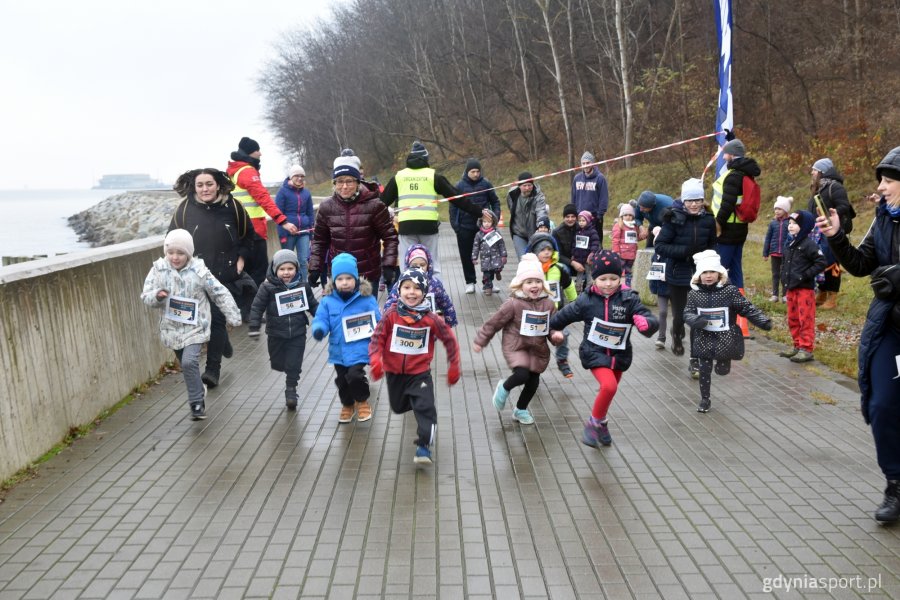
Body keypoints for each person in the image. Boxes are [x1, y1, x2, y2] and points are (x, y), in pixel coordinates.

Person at [817, 145, 900, 522]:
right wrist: (837, 237)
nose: (881, 188)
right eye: (881, 180)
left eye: (888, 180)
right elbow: (861, 264)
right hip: (889, 326)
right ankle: (895, 485)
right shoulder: (883, 218)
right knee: (883, 405)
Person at [550, 250, 658, 447]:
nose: (608, 283)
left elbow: (648, 317)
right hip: (594, 352)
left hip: (619, 355)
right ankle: (593, 423)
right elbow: (560, 318)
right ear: (594, 279)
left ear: (621, 277)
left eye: (613, 278)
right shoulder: (586, 300)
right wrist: (553, 331)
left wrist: (646, 322)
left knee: (609, 391)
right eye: (603, 279)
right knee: (609, 386)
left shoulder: (629, 299)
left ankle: (603, 425)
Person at [141, 229, 242, 420]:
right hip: (172, 329)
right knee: (187, 367)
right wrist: (157, 296)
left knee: (189, 362)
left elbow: (218, 292)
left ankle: (196, 403)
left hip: (196, 327)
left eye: (180, 253)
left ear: (189, 253)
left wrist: (233, 315)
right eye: (171, 253)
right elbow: (146, 296)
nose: (175, 257)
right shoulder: (158, 269)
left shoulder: (200, 271)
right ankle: (198, 389)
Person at [169, 168, 256, 388]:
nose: (205, 189)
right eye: (200, 185)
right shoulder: (184, 210)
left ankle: (212, 370)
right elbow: (172, 243)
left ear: (218, 185)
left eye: (209, 184)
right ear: (194, 187)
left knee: (217, 319)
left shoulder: (234, 207)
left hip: (224, 276)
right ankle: (223, 341)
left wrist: (241, 260)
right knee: (204, 321)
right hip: (194, 277)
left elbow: (249, 237)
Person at [368, 268, 462, 465]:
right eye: (407, 287)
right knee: (397, 406)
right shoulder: (391, 315)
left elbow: (449, 340)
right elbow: (377, 339)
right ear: (399, 290)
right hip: (394, 373)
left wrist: (454, 365)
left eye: (417, 288)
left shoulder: (431, 318)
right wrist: (376, 360)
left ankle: (424, 446)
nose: (411, 292)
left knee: (426, 407)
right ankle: (414, 401)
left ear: (425, 292)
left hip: (419, 373)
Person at [473, 254, 564, 425]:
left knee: (533, 382)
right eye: (529, 282)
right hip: (516, 346)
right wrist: (481, 340)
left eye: (537, 281)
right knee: (522, 374)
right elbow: (494, 323)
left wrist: (556, 336)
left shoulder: (548, 305)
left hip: (537, 348)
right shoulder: (513, 304)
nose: (534, 286)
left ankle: (520, 409)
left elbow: (552, 326)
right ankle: (504, 387)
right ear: (521, 284)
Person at [683, 250, 772, 413]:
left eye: (712, 272)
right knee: (704, 367)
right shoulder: (694, 294)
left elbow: (746, 308)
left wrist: (762, 321)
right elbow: (687, 312)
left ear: (719, 274)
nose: (708, 276)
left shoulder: (729, 292)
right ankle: (705, 399)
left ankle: (725, 361)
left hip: (725, 336)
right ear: (698, 275)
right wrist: (696, 320)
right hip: (703, 336)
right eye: (704, 272)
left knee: (722, 370)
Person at [380, 141, 484, 276]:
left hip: (406, 228)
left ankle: (408, 294)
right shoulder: (433, 176)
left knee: (407, 266)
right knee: (432, 265)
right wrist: (479, 211)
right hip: (429, 227)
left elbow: (381, 203)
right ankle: (435, 295)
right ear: (426, 159)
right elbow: (456, 197)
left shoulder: (399, 177)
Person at [311, 253, 380, 424]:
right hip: (338, 350)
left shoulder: (366, 299)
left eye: (349, 278)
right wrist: (319, 329)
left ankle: (362, 401)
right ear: (333, 281)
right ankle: (347, 404)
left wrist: (380, 335)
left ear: (356, 279)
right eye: (340, 278)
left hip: (360, 348)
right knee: (342, 380)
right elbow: (321, 319)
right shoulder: (327, 301)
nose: (344, 282)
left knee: (355, 375)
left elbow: (378, 319)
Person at [308, 159, 399, 289]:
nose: (344, 186)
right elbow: (319, 241)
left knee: (366, 309)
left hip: (367, 275)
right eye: (340, 181)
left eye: (349, 181)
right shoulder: (326, 207)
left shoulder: (375, 205)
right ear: (334, 183)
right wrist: (314, 267)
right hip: (339, 275)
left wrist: (389, 265)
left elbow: (390, 237)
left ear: (357, 182)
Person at [653, 178, 717, 358]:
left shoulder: (708, 220)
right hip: (678, 273)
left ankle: (695, 358)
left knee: (698, 315)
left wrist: (711, 262)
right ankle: (676, 333)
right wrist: (685, 252)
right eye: (690, 201)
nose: (694, 204)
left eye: (698, 200)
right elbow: (660, 246)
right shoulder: (673, 219)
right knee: (680, 315)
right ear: (683, 201)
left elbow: (713, 244)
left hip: (700, 274)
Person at [247, 249, 319, 410]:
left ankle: (291, 389)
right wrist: (254, 326)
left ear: (297, 269)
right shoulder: (267, 287)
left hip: (298, 332)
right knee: (278, 363)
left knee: (294, 363)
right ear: (275, 269)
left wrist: (323, 320)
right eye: (282, 269)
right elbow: (257, 307)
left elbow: (313, 305)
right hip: (275, 333)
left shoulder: (303, 286)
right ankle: (286, 370)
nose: (286, 273)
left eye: (290, 269)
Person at [227, 137, 298, 287]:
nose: (260, 154)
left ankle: (249, 307)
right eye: (257, 150)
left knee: (244, 274)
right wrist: (283, 221)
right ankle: (260, 307)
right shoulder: (247, 172)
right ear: (249, 153)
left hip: (239, 230)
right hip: (255, 232)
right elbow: (263, 198)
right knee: (259, 274)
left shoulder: (234, 172)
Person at [711, 138, 761, 336]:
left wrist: (718, 224)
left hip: (727, 231)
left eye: (726, 153)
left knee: (718, 271)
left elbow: (727, 203)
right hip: (740, 230)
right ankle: (742, 323)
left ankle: (719, 316)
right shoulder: (746, 174)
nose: (723, 156)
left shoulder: (734, 176)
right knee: (737, 273)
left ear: (732, 154)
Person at [778, 210, 828, 363]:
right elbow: (785, 264)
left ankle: (806, 348)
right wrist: (784, 281)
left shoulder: (808, 244)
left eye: (794, 224)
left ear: (804, 226)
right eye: (790, 224)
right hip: (791, 288)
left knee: (805, 318)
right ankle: (797, 345)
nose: (790, 227)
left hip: (804, 289)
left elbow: (821, 262)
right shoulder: (790, 244)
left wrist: (804, 275)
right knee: (793, 318)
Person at [526, 233, 577, 378]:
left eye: (549, 249)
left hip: (556, 312)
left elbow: (568, 285)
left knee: (564, 336)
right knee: (535, 341)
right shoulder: (530, 269)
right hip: (536, 313)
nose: (547, 252)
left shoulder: (559, 268)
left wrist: (575, 302)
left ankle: (562, 360)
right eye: (542, 250)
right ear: (535, 252)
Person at [807, 158, 855, 310]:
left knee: (832, 263)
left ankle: (832, 296)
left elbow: (844, 206)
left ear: (822, 171)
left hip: (832, 231)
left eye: (815, 170)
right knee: (820, 262)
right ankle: (822, 293)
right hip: (818, 232)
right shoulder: (819, 187)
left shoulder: (835, 187)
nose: (812, 172)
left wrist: (830, 217)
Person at [452, 158, 501, 293]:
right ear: (467, 172)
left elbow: (495, 202)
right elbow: (453, 207)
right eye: (473, 171)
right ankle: (470, 282)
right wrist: (456, 226)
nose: (475, 174)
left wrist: (494, 218)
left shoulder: (486, 184)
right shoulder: (459, 186)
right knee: (466, 255)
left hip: (485, 228)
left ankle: (489, 282)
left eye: (478, 171)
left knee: (490, 254)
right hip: (465, 227)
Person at [384, 244, 458, 327]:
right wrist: (387, 318)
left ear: (428, 265)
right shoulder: (401, 283)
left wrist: (450, 321)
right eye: (414, 265)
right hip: (406, 325)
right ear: (408, 265)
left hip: (429, 326)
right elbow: (391, 301)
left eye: (422, 265)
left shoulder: (434, 283)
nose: (419, 268)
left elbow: (445, 302)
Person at [274, 165, 314, 282]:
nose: (300, 178)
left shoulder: (306, 193)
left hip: (304, 232)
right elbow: (278, 215)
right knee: (288, 262)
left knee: (303, 261)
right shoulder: (282, 192)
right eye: (297, 176)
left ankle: (304, 286)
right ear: (291, 177)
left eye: (302, 176)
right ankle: (290, 286)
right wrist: (282, 235)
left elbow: (310, 213)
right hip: (288, 233)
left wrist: (311, 234)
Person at [506, 172, 549, 258]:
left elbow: (541, 211)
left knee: (537, 260)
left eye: (529, 185)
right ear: (519, 186)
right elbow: (511, 209)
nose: (527, 188)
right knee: (524, 260)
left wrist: (542, 225)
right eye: (524, 186)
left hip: (534, 233)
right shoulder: (512, 194)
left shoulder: (538, 196)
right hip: (518, 233)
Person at [571, 151, 609, 242]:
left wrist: (599, 215)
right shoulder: (577, 178)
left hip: (594, 217)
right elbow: (573, 197)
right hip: (580, 216)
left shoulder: (600, 178)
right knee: (581, 241)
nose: (585, 165)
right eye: (583, 163)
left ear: (592, 163)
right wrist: (573, 213)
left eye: (587, 163)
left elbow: (603, 198)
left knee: (596, 242)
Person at [471, 209, 508, 295]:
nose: (486, 223)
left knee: (497, 267)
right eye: (484, 221)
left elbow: (501, 244)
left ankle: (498, 272)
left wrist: (504, 255)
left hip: (496, 256)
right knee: (487, 274)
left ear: (493, 222)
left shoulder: (496, 233)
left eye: (489, 221)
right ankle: (488, 287)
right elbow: (476, 246)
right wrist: (474, 257)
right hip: (485, 259)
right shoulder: (479, 234)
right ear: (481, 222)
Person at [763, 196, 793, 302]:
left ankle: (785, 295)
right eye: (776, 209)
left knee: (785, 274)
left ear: (785, 210)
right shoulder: (772, 223)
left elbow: (793, 237)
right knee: (775, 274)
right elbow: (768, 238)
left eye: (779, 209)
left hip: (786, 254)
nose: (777, 211)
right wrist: (765, 253)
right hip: (775, 253)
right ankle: (775, 295)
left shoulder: (790, 223)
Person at [610, 203, 647, 287]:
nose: (628, 217)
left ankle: (627, 288)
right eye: (625, 215)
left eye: (630, 215)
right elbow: (615, 239)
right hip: (621, 255)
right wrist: (616, 251)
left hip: (631, 255)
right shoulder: (618, 225)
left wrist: (644, 235)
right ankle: (617, 287)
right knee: (619, 272)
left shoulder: (634, 226)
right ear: (621, 216)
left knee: (629, 272)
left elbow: (635, 238)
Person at [572, 211, 601, 291]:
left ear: (588, 221)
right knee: (579, 275)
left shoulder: (592, 232)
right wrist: (573, 254)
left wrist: (592, 254)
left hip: (588, 259)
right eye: (580, 221)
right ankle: (577, 289)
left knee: (589, 275)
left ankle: (589, 289)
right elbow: (574, 244)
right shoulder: (577, 231)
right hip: (578, 258)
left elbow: (595, 244)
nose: (581, 223)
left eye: (583, 221)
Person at [552, 204, 579, 275]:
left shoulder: (582, 228)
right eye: (567, 217)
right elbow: (558, 255)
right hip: (566, 263)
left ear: (576, 217)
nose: (570, 219)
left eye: (573, 216)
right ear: (564, 218)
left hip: (582, 262)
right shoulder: (556, 232)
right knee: (564, 270)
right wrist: (572, 263)